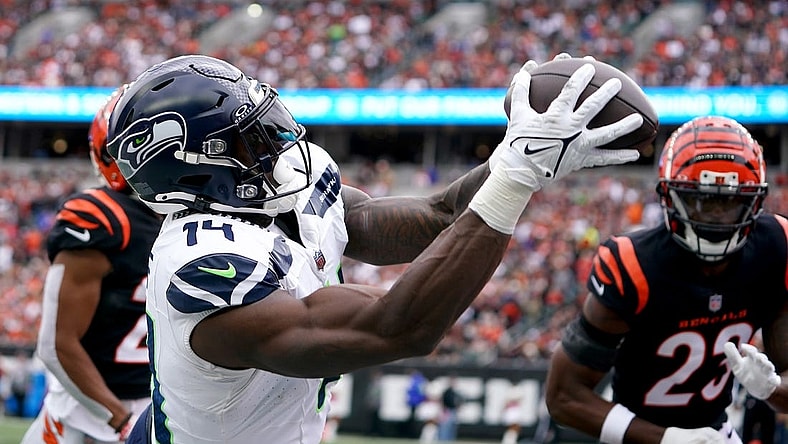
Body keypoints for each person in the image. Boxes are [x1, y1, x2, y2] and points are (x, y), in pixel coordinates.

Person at [108, 53, 643, 444]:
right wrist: (515, 176)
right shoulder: (201, 265)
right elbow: (396, 327)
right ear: (195, 167)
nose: (277, 142)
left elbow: (434, 217)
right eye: (251, 139)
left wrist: (522, 152)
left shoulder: (285, 190)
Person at [545, 115, 788, 444]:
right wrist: (666, 439)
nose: (715, 216)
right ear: (668, 196)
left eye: (730, 201)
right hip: (638, 436)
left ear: (755, 201)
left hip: (717, 434)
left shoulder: (776, 247)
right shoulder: (634, 265)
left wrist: (771, 389)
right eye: (700, 200)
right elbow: (564, 396)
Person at [20, 86, 162, 444]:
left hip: (160, 411)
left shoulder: (191, 223)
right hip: (87, 417)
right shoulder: (104, 218)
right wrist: (120, 418)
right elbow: (56, 345)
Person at [438, 376, 463, 441]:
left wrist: (458, 408)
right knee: (445, 426)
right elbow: (442, 401)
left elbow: (458, 402)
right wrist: (444, 410)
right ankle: (443, 440)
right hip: (447, 411)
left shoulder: (455, 392)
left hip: (453, 411)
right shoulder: (447, 391)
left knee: (452, 427)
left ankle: (450, 440)